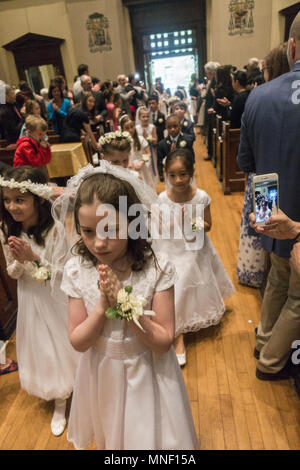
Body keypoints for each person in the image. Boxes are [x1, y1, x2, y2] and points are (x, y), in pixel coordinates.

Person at [55, 161, 199, 450]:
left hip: (149, 373)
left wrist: (127, 306)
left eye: (111, 229)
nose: (99, 243)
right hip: (102, 374)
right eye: (88, 231)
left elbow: (162, 341)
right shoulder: (77, 269)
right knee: (113, 437)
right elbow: (78, 341)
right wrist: (102, 306)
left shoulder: (156, 268)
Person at [237, 12, 300, 381]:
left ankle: (263, 341)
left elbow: (246, 162)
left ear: (291, 46)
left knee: (277, 277)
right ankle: (271, 361)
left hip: (268, 202)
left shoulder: (258, 96)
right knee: (297, 294)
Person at [0, 166, 79, 435]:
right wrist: (19, 262)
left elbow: (62, 273)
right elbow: (12, 271)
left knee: (61, 341)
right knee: (43, 346)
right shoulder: (7, 228)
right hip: (29, 296)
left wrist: (33, 257)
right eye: (7, 199)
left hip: (54, 296)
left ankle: (69, 392)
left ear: (38, 199)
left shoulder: (55, 230)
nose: (12, 206)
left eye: (19, 199)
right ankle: (59, 394)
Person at [157, 150, 234, 366]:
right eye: (172, 175)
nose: (178, 180)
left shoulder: (201, 197)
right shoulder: (162, 199)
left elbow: (208, 226)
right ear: (166, 175)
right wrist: (175, 223)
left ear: (192, 172)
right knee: (174, 279)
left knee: (188, 273)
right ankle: (177, 332)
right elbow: (159, 228)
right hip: (171, 245)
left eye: (183, 174)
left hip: (194, 245)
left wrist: (191, 221)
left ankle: (178, 330)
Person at [120, 115, 155, 188]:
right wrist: (127, 162)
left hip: (141, 167)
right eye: (127, 128)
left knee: (145, 187)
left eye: (132, 127)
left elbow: (148, 153)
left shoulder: (140, 139)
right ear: (122, 129)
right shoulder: (121, 142)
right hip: (128, 168)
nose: (130, 130)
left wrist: (142, 162)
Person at [157, 114, 195, 181]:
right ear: (166, 127)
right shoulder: (162, 144)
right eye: (169, 127)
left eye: (175, 126)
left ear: (180, 126)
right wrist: (161, 174)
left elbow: (191, 157)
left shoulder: (187, 141)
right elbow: (160, 160)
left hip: (185, 173)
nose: (172, 129)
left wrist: (191, 171)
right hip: (170, 175)